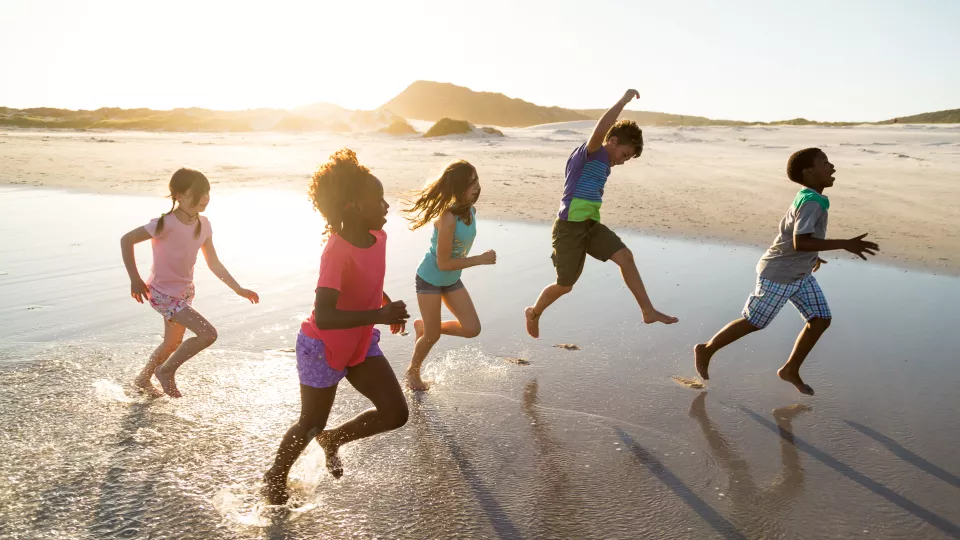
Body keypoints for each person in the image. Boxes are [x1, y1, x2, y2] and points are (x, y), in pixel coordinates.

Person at [263, 148, 409, 505]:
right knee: (310, 421)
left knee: (395, 413)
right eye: (378, 198)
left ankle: (333, 439)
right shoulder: (336, 251)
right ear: (353, 206)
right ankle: (275, 476)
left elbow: (368, 283)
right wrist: (379, 316)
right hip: (322, 347)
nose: (387, 205)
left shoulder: (380, 237)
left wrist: (385, 305)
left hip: (359, 341)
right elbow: (325, 315)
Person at [694, 148, 879, 395]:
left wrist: (814, 256)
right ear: (809, 172)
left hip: (799, 274)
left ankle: (790, 369)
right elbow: (799, 242)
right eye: (825, 163)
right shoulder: (811, 201)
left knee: (821, 319)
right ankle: (706, 349)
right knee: (754, 322)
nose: (832, 167)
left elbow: (801, 238)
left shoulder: (811, 197)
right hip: (779, 274)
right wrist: (845, 243)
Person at [525, 89, 678, 338]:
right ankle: (534, 311)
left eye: (627, 159)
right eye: (624, 154)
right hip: (569, 229)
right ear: (613, 141)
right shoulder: (591, 152)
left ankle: (648, 311)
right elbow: (603, 126)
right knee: (565, 285)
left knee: (626, 257)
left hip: (591, 227)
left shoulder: (605, 163)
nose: (623, 161)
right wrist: (623, 101)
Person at [120, 168, 259, 398]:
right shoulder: (165, 224)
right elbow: (127, 240)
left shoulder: (203, 224)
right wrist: (134, 278)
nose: (205, 198)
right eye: (199, 192)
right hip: (163, 294)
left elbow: (213, 262)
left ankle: (142, 379)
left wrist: (238, 289)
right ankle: (166, 372)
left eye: (207, 192)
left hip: (184, 292)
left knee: (172, 344)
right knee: (208, 334)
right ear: (179, 195)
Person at [403, 160, 496, 391]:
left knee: (472, 329)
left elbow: (451, 263)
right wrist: (480, 259)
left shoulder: (471, 211)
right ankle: (412, 372)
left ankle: (425, 327)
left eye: (477, 181)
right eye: (471, 182)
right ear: (458, 187)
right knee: (432, 337)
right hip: (430, 278)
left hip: (451, 279)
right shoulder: (447, 218)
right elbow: (443, 263)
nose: (477, 186)